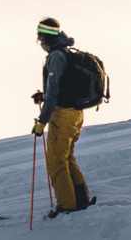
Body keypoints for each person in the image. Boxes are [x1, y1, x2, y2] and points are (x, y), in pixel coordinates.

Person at [29, 18, 93, 218]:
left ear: (44, 37)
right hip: (76, 113)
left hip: (63, 115)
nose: (39, 40)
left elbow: (54, 91)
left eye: (40, 36)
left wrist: (42, 121)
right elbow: (62, 87)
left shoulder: (56, 56)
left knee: (57, 162)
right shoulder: (66, 52)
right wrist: (45, 95)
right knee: (67, 158)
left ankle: (67, 206)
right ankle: (80, 200)